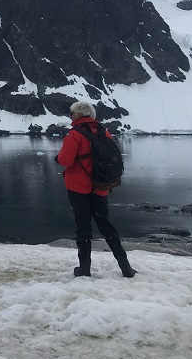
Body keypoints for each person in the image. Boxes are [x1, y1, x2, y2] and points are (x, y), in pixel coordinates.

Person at [56, 100, 136, 278]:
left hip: (79, 188)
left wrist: (58, 158)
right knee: (106, 225)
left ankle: (84, 269)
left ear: (77, 114)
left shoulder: (74, 134)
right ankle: (125, 267)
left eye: (71, 113)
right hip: (100, 187)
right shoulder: (104, 132)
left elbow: (66, 160)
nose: (70, 116)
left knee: (83, 227)